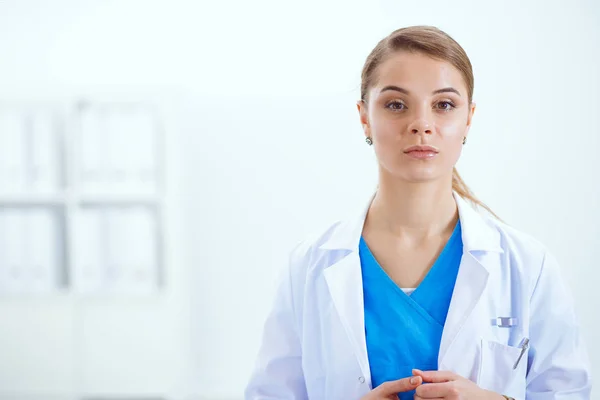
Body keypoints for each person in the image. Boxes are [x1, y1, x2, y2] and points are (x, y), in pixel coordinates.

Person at [244, 26, 592, 400]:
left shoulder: (527, 266)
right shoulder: (308, 267)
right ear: (364, 117)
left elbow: (570, 392)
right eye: (396, 104)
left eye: (444, 105)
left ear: (468, 119)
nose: (421, 124)